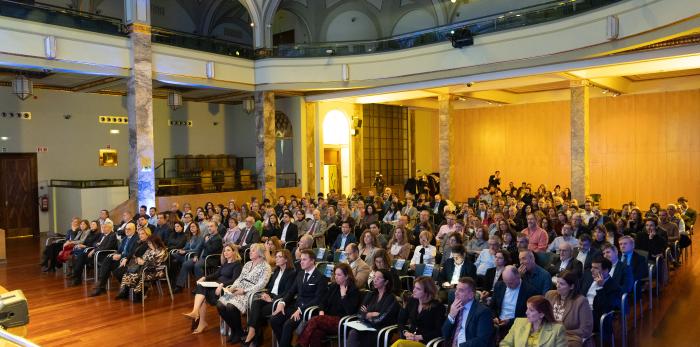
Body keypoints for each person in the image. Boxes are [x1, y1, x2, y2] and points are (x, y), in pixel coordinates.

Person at [270, 249, 328, 347]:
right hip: (296, 306)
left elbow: (318, 299)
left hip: (307, 310)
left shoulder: (320, 277)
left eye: (304, 259)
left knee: (288, 325)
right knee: (274, 320)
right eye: (301, 259)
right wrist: (282, 303)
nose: (301, 262)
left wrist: (301, 309)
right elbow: (291, 291)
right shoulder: (300, 274)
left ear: (312, 261)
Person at [217, 244, 272, 343]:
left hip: (251, 292)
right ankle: (237, 330)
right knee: (220, 305)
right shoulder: (247, 264)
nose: (250, 252)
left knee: (230, 306)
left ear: (260, 253)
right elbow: (240, 278)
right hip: (239, 288)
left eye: (253, 251)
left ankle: (237, 332)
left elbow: (262, 284)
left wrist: (244, 291)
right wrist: (233, 287)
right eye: (250, 250)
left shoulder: (266, 267)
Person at [183, 243, 243, 334]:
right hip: (217, 286)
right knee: (201, 285)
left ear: (234, 252)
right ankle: (197, 314)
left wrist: (222, 284)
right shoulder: (225, 263)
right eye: (224, 251)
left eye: (228, 250)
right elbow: (216, 274)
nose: (225, 252)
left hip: (225, 289)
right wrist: (204, 278)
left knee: (201, 292)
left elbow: (235, 280)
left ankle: (199, 318)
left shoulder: (237, 264)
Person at [297, 263, 360, 347]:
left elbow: (350, 311)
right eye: (335, 274)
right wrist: (321, 310)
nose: (336, 277)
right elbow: (322, 301)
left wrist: (344, 296)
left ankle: (300, 345)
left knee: (315, 320)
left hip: (342, 321)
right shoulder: (334, 286)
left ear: (347, 276)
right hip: (327, 319)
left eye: (339, 275)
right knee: (316, 333)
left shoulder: (353, 290)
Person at [245, 249, 297, 346]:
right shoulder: (277, 271)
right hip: (271, 297)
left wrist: (272, 299)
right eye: (276, 256)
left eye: (279, 257)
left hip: (280, 300)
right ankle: (253, 334)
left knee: (258, 313)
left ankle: (254, 336)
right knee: (255, 303)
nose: (276, 259)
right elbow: (270, 287)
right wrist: (266, 294)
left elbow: (288, 292)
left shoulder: (291, 273)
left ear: (286, 259)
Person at [90, 223, 148, 297]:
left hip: (128, 260)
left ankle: (102, 286)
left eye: (129, 229)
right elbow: (119, 250)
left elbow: (132, 252)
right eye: (126, 229)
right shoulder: (124, 239)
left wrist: (122, 256)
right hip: (121, 258)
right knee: (108, 259)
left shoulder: (136, 239)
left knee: (112, 266)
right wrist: (116, 254)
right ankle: (101, 286)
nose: (126, 230)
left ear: (134, 230)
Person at [347, 269, 400, 346]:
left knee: (365, 338)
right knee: (353, 333)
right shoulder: (370, 295)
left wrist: (367, 314)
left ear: (386, 282)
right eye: (374, 277)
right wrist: (371, 314)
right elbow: (359, 314)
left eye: (378, 278)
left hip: (381, 330)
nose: (375, 280)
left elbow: (381, 319)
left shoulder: (390, 298)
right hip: (367, 326)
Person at [391, 277, 445, 347]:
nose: (414, 291)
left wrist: (418, 337)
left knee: (399, 343)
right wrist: (405, 332)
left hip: (426, 342)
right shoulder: (412, 301)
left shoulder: (438, 307)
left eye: (418, 289)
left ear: (427, 291)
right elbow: (400, 321)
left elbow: (439, 331)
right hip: (409, 339)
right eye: (414, 287)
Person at [545, 271, 594, 347]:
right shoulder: (550, 295)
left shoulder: (581, 301)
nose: (557, 286)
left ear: (571, 286)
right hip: (547, 334)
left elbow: (586, 330)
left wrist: (561, 331)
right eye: (557, 282)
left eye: (562, 284)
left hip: (568, 338)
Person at [441, 276, 494, 346]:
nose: (456, 293)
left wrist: (460, 346)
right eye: (456, 289)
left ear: (471, 295)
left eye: (461, 290)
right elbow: (444, 334)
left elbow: (482, 340)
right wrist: (451, 316)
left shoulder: (483, 312)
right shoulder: (454, 306)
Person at [174, 221, 223, 293]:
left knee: (197, 265)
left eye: (211, 226)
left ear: (216, 227)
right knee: (186, 264)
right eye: (208, 226)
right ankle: (179, 286)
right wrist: (196, 256)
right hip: (202, 257)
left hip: (210, 259)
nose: (209, 228)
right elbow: (199, 248)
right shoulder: (207, 235)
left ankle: (199, 287)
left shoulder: (218, 238)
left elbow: (211, 250)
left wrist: (207, 242)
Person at [115, 234, 168, 302]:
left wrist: (144, 263)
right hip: (144, 269)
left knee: (140, 276)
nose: (149, 245)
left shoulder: (161, 251)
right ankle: (124, 292)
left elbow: (157, 264)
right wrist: (138, 260)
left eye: (151, 243)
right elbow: (143, 258)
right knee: (127, 274)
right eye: (148, 243)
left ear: (156, 242)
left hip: (156, 271)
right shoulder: (149, 250)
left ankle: (138, 294)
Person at [499, 295, 567, 347]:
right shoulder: (518, 322)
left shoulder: (557, 330)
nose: (526, 312)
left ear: (541, 314)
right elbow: (505, 343)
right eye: (527, 309)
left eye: (531, 310)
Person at [490, 265, 538, 336]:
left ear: (518, 276)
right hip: (497, 322)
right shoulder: (499, 285)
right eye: (505, 282)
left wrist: (510, 321)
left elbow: (529, 315)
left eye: (510, 283)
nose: (507, 285)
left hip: (517, 324)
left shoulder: (530, 291)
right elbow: (492, 306)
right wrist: (494, 317)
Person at [70, 221, 118, 286]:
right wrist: (96, 246)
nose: (103, 229)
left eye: (105, 227)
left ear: (110, 228)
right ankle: (77, 278)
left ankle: (76, 276)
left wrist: (95, 250)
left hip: (103, 255)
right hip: (97, 253)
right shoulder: (102, 235)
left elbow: (106, 247)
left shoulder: (112, 235)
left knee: (82, 257)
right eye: (102, 227)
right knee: (81, 256)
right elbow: (94, 243)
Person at [580, 257, 621, 332]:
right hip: (581, 308)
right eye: (592, 267)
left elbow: (605, 307)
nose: (591, 270)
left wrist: (601, 287)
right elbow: (579, 293)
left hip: (595, 314)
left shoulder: (614, 287)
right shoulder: (588, 277)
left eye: (595, 268)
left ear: (606, 271)